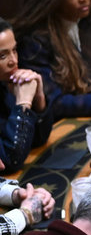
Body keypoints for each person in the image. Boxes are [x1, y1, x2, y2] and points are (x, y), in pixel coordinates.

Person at [0, 17, 52, 173]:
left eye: (14, 50)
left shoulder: (6, 83)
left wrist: (39, 99)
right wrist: (22, 105)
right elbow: (10, 160)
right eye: (3, 56)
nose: (14, 61)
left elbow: (38, 140)